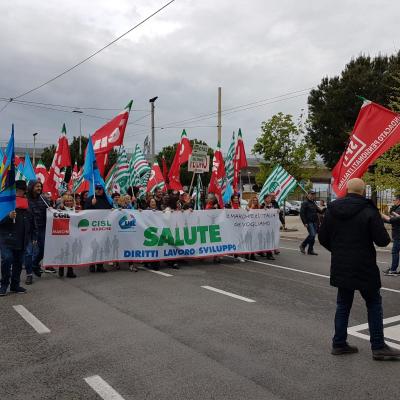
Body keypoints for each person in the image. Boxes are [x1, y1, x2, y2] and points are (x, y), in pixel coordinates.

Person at [319, 178, 400, 360]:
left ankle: (339, 343)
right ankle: (378, 346)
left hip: (341, 264)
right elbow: (383, 240)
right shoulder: (368, 210)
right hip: (364, 265)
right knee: (373, 303)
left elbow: (322, 237)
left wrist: (339, 250)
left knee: (343, 304)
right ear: (363, 192)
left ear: (347, 190)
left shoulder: (332, 209)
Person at [0, 181, 36, 296]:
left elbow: (31, 221)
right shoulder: (5, 203)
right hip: (7, 238)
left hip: (22, 238)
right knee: (7, 259)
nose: (21, 192)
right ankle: (4, 285)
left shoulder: (26, 204)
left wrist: (33, 236)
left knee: (18, 263)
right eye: (19, 190)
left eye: (22, 190)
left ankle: (15, 285)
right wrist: (8, 217)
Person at [85, 185, 112, 272]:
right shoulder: (90, 199)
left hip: (103, 227)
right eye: (97, 189)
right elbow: (85, 211)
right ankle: (92, 264)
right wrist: (92, 204)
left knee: (101, 246)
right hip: (93, 227)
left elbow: (109, 210)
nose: (98, 191)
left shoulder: (105, 200)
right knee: (93, 246)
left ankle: (100, 265)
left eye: (100, 189)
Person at [27, 180, 52, 275]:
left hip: (42, 228)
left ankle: (34, 264)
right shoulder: (26, 200)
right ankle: (30, 273)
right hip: (29, 229)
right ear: (31, 187)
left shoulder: (44, 199)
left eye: (40, 186)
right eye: (37, 186)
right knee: (29, 252)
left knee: (43, 249)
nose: (39, 188)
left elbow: (50, 211)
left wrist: (50, 210)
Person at [381, 195, 400, 276]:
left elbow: (392, 220)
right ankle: (393, 268)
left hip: (398, 235)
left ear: (398, 200)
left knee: (395, 252)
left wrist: (381, 215)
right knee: (395, 252)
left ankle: (393, 270)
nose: (393, 201)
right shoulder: (397, 208)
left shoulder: (399, 209)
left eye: (394, 200)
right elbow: (391, 220)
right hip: (397, 234)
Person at [299, 190, 321, 256]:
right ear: (308, 195)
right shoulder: (305, 203)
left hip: (315, 221)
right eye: (311, 194)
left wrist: (325, 209)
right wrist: (304, 222)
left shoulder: (313, 203)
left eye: (314, 195)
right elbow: (302, 213)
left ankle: (310, 250)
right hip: (309, 222)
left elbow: (319, 211)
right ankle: (303, 245)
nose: (312, 196)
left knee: (313, 237)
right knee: (312, 235)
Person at [260, 194, 275, 260]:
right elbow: (258, 214)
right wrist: (264, 209)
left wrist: (277, 211)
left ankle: (269, 253)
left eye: (270, 198)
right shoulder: (262, 205)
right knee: (263, 239)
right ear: (265, 199)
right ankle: (266, 252)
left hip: (270, 225)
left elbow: (274, 214)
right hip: (263, 225)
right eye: (268, 198)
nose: (270, 199)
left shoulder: (272, 205)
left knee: (269, 239)